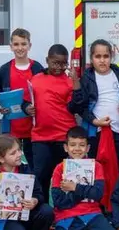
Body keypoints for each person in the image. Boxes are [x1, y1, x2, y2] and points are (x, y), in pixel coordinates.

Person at [26, 44, 83, 205]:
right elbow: (25, 101)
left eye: (63, 63)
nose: (59, 67)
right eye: (55, 63)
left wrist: (76, 83)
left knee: (65, 177)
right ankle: (43, 211)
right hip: (40, 137)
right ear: (47, 60)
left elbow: (76, 107)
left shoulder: (69, 82)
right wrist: (26, 108)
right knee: (41, 176)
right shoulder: (35, 79)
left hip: (64, 136)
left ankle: (64, 210)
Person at [51, 127, 116, 230]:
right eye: (72, 145)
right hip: (67, 216)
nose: (77, 149)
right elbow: (59, 202)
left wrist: (75, 188)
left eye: (82, 145)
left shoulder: (96, 166)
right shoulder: (59, 169)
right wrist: (85, 191)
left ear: (88, 148)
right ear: (66, 147)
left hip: (91, 212)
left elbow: (98, 194)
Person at [78, 39, 119, 166]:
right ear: (91, 59)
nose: (102, 60)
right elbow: (81, 108)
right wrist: (94, 121)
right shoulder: (86, 79)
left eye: (106, 56)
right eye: (98, 56)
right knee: (98, 166)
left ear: (111, 57)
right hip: (96, 132)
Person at [0, 28, 44, 169]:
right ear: (11, 46)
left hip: (33, 127)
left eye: (23, 44)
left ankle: (36, 190)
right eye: (16, 44)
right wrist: (1, 107)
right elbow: (0, 96)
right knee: (10, 165)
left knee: (35, 165)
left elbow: (43, 95)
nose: (20, 48)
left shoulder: (37, 68)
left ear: (30, 45)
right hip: (12, 127)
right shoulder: (4, 70)